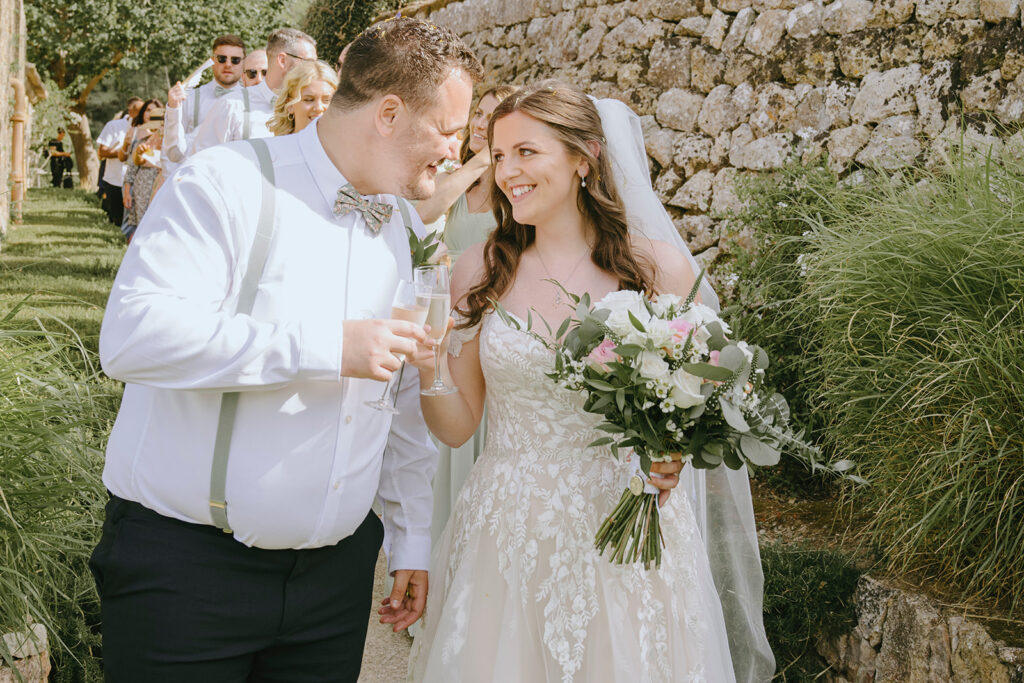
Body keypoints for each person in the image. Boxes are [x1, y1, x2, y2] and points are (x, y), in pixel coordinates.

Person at [91, 17, 481, 681]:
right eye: (450, 130)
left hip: (333, 585)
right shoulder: (226, 184)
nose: (456, 149)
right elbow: (133, 336)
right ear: (389, 113)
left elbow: (401, 398)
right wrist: (325, 344)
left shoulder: (399, 230)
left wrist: (411, 535)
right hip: (189, 576)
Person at [407, 82, 775, 682]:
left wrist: (673, 450)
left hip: (627, 525)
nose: (507, 173)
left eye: (527, 152)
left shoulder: (656, 267)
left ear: (584, 158)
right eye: (498, 156)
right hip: (511, 529)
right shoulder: (478, 270)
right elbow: (457, 429)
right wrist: (430, 375)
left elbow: (710, 391)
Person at [411, 85, 517, 547]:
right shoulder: (456, 177)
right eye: (479, 114)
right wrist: (474, 164)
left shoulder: (514, 188)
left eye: (493, 117)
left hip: (492, 306)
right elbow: (424, 213)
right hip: (446, 306)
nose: (479, 122)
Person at [190, 28, 317, 153]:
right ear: (283, 60)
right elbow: (202, 161)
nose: (314, 69)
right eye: (309, 62)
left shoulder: (313, 108)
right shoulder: (232, 105)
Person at [162, 34, 246, 165]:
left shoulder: (251, 100)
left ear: (243, 64)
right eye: (222, 59)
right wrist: (173, 109)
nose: (228, 64)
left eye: (235, 60)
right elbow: (174, 154)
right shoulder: (190, 98)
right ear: (213, 61)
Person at [120, 98, 163, 241]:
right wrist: (127, 191)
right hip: (142, 187)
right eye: (148, 110)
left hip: (160, 184)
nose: (150, 114)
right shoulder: (141, 140)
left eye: (154, 111)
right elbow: (132, 168)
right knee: (140, 227)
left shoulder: (170, 140)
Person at [97, 97, 143, 226]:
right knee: (117, 220)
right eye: (140, 110)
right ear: (130, 111)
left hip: (137, 182)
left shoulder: (147, 128)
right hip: (115, 180)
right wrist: (123, 152)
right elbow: (102, 152)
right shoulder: (114, 126)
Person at [267, 60, 338, 136]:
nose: (319, 108)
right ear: (289, 105)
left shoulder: (345, 145)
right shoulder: (274, 146)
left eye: (327, 100)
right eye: (309, 100)